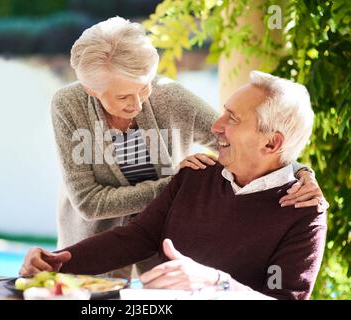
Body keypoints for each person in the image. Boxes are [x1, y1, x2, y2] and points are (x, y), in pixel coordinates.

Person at [49, 17, 327, 279]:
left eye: (144, 87)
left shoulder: (170, 97)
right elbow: (88, 202)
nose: (137, 104)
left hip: (162, 246)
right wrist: (176, 189)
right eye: (123, 96)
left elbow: (245, 143)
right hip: (96, 241)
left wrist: (300, 171)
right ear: (91, 89)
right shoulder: (69, 105)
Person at [22, 71, 327, 300]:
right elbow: (137, 236)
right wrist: (59, 262)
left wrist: (214, 282)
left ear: (272, 142)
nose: (216, 125)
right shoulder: (197, 174)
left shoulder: (303, 212)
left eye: (232, 118)